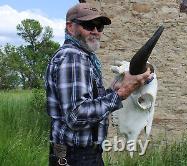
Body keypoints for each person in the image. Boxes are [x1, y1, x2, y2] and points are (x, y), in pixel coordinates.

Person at [45, 2, 151, 166]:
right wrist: (121, 93)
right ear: (70, 27)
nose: (95, 31)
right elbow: (76, 115)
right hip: (76, 157)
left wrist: (113, 90)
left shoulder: (84, 57)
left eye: (99, 26)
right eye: (88, 25)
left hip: (78, 154)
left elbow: (88, 102)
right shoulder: (73, 57)